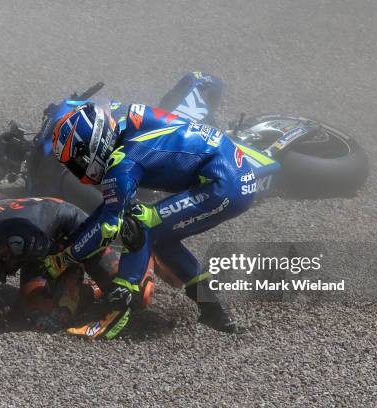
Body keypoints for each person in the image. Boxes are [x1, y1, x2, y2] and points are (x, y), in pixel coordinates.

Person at [44, 89, 257, 339]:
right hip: (230, 172)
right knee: (160, 238)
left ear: (95, 145)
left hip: (223, 186)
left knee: (140, 225)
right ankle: (214, 311)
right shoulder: (123, 118)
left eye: (77, 162)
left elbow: (108, 225)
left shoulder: (122, 163)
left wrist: (64, 258)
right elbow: (114, 206)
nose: (77, 171)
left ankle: (116, 313)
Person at [0, 197, 120, 331]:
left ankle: (93, 289)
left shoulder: (21, 238)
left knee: (124, 291)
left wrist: (67, 292)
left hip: (70, 232)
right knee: (34, 309)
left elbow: (63, 255)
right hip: (36, 243)